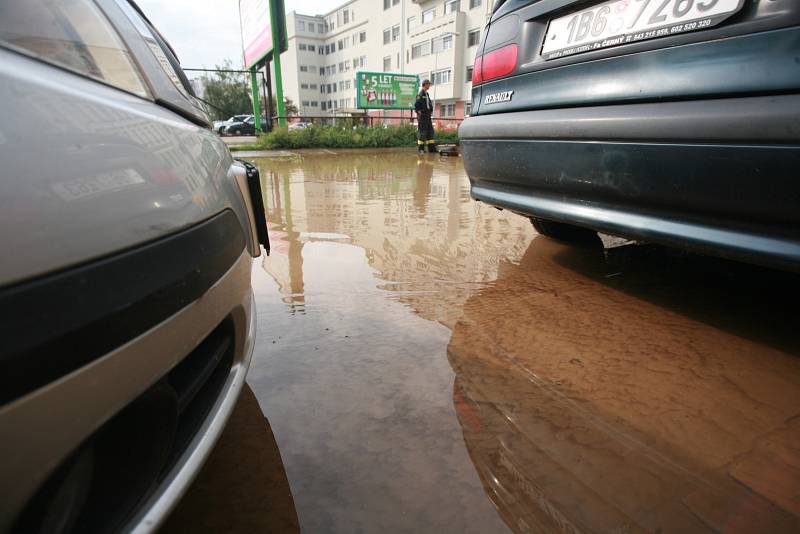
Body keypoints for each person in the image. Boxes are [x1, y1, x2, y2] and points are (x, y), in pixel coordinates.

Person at [414, 79, 437, 154]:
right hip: (423, 116)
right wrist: (419, 113)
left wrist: (430, 110)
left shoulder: (427, 94)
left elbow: (429, 104)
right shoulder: (420, 94)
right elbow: (417, 105)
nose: (429, 85)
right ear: (425, 84)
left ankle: (432, 149)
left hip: (428, 116)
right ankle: (421, 149)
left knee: (430, 131)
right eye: (428, 84)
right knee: (422, 132)